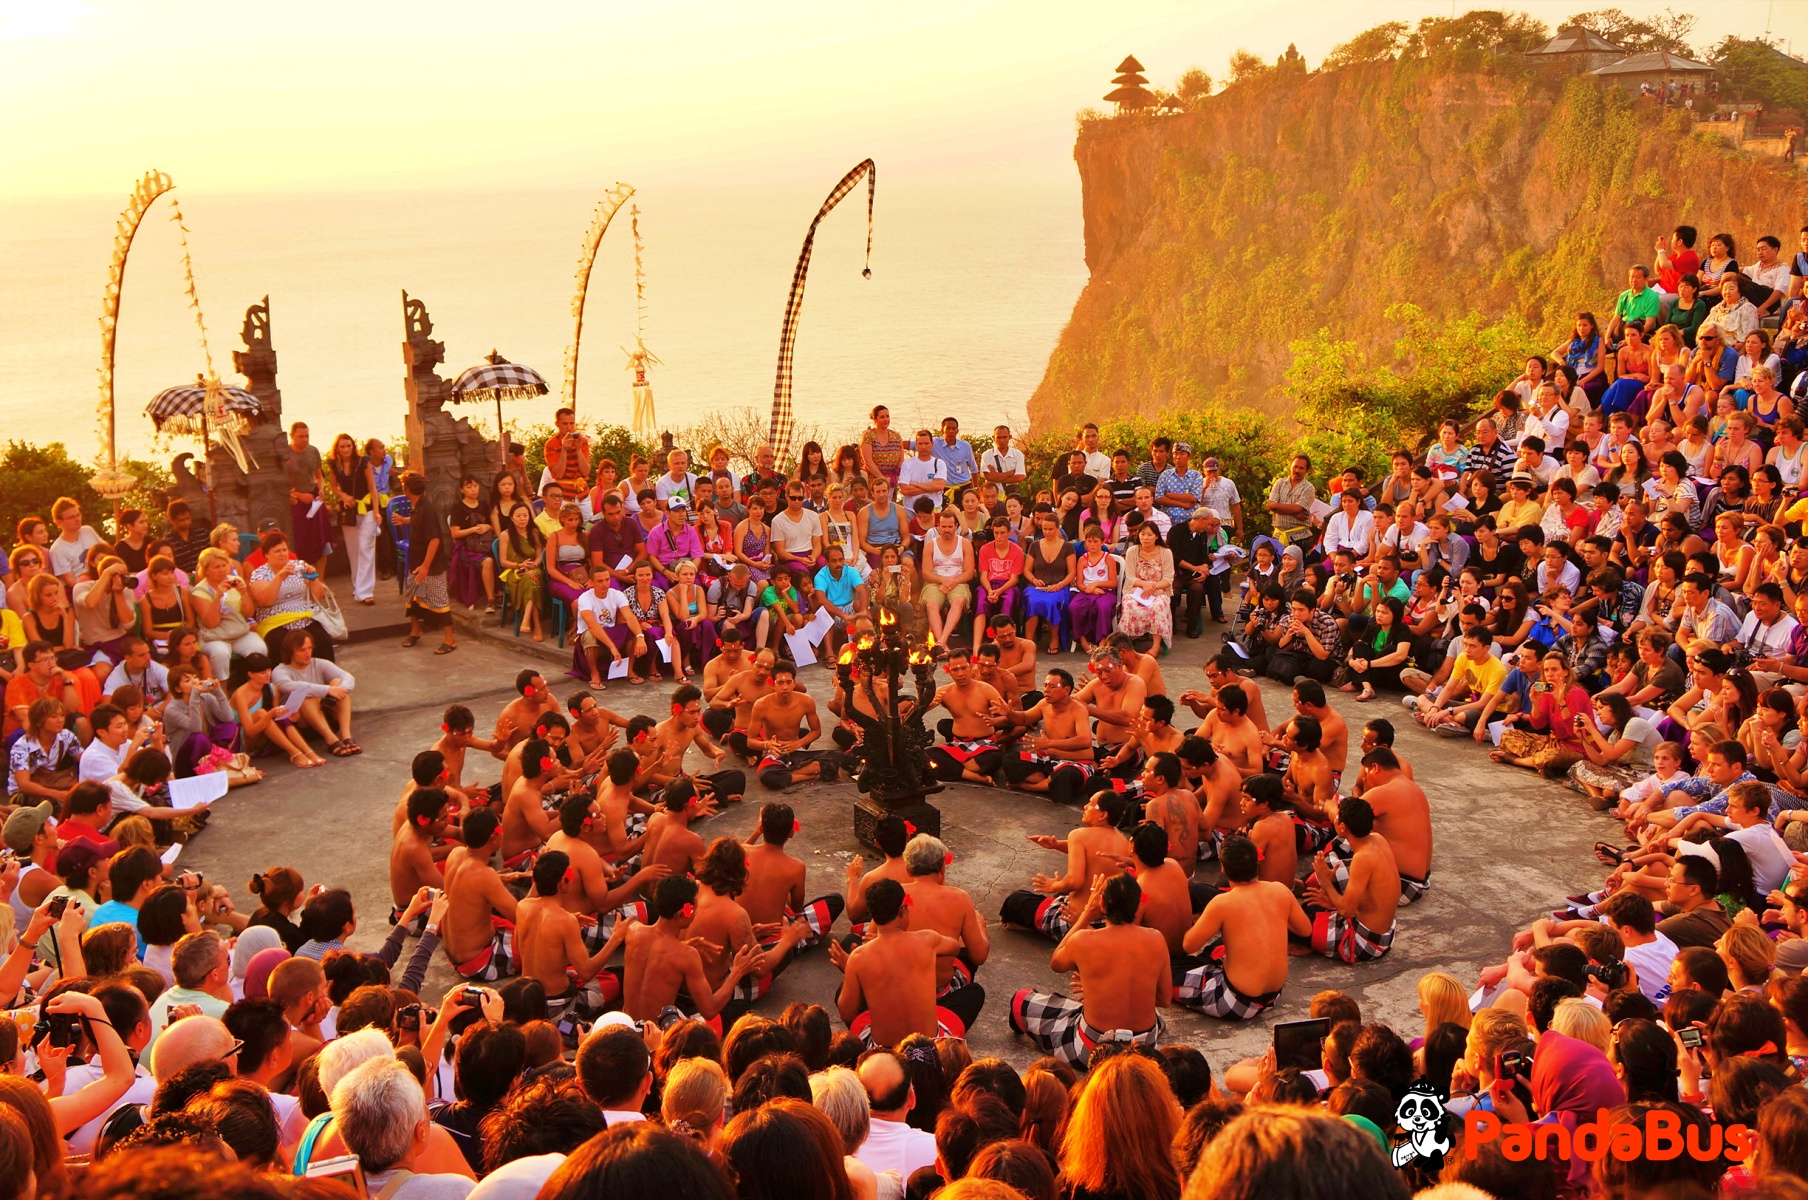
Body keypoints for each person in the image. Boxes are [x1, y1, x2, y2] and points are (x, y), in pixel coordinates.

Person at [1008, 873, 1171, 1065]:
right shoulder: (1156, 939)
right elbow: (1164, 999)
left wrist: (1085, 914)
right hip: (1144, 1050)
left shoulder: (1083, 940)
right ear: (1137, 906)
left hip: (1093, 1051)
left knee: (1020, 1001)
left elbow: (1056, 963)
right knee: (1155, 1016)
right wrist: (1109, 993)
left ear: (1101, 904)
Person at [1176, 834, 1311, 1019]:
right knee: (1225, 946)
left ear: (1223, 868)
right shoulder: (1280, 890)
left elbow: (1188, 945)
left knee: (1169, 972)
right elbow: (1305, 930)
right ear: (1256, 862)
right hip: (1274, 996)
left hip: (1236, 1001)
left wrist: (1199, 921)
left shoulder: (1222, 903)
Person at [833, 879, 969, 1045]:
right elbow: (955, 948)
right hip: (928, 1046)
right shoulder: (927, 940)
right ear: (903, 910)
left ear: (872, 915)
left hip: (884, 1052)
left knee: (851, 1004)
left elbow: (846, 1014)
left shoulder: (859, 957)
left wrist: (851, 972)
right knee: (973, 993)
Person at [623, 875, 758, 1022]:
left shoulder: (633, 932)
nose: (696, 914)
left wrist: (683, 944)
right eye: (694, 910)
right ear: (681, 915)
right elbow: (710, 1010)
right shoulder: (687, 956)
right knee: (738, 1007)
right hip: (655, 1035)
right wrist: (737, 971)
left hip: (628, 1026)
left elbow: (656, 949)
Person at [1299, 795, 1399, 964]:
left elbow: (1346, 912)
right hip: (1385, 934)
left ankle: (1311, 945)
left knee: (1298, 924)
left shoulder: (1363, 858)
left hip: (1365, 943)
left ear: (1343, 827)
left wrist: (1325, 882)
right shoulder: (1378, 839)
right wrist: (1330, 899)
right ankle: (1315, 941)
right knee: (1311, 904)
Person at [273, 631, 358, 757]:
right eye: (302, 650)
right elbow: (287, 686)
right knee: (305, 695)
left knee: (338, 683)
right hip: (301, 725)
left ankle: (346, 737)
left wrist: (340, 689)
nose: (308, 653)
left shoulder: (319, 663)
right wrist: (327, 690)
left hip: (325, 717)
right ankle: (332, 741)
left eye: (309, 648)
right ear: (290, 652)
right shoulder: (280, 671)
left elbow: (347, 677)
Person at [399, 472, 457, 654]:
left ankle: (450, 639)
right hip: (416, 561)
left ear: (407, 489)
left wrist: (425, 566)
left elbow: (434, 540)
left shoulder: (427, 509)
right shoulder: (417, 507)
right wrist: (404, 521)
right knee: (412, 597)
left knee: (439, 601)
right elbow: (418, 522)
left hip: (431, 565)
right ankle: (416, 630)